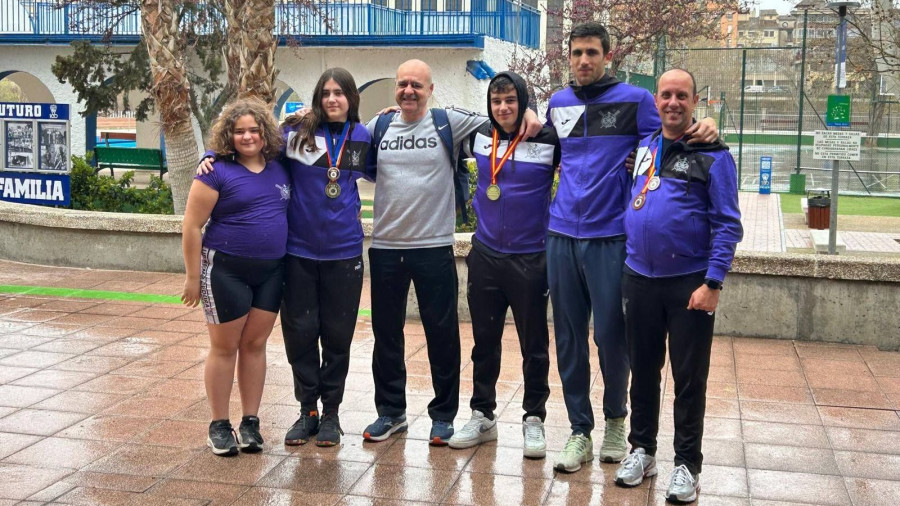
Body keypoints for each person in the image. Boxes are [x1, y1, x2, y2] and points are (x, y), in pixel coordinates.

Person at [545, 22, 720, 472]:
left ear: (608, 56)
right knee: (568, 339)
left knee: (610, 337)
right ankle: (579, 431)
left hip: (610, 238)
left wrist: (708, 124)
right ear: (568, 57)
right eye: (577, 53)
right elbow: (537, 140)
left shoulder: (637, 100)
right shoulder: (558, 103)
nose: (584, 60)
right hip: (562, 235)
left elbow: (670, 133)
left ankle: (616, 425)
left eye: (592, 53)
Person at [362, 59, 542, 446]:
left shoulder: (449, 121)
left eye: (417, 85)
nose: (409, 90)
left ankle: (443, 415)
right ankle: (391, 412)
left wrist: (527, 108)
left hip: (434, 246)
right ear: (396, 88)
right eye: (403, 83)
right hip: (386, 248)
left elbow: (501, 118)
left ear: (430, 90)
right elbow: (337, 136)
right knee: (386, 335)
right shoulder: (378, 127)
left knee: (442, 335)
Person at [199, 69, 375, 448]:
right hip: (297, 253)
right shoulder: (296, 136)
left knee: (338, 337)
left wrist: (394, 110)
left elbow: (376, 165)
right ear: (317, 97)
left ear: (351, 98)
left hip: (344, 253)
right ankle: (307, 411)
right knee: (300, 336)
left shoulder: (363, 136)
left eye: (339, 93)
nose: (332, 99)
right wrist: (210, 154)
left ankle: (331, 415)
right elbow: (248, 143)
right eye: (325, 92)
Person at [613, 68, 743, 504]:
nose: (672, 103)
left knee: (689, 379)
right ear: (656, 100)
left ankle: (687, 463)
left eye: (681, 96)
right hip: (640, 278)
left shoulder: (714, 154)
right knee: (643, 372)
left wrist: (714, 281)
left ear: (694, 102)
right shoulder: (645, 148)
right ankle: (642, 450)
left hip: (690, 283)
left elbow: (727, 224)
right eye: (665, 95)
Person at [446, 71, 558, 459]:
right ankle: (482, 414)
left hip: (530, 256)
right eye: (496, 101)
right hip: (486, 255)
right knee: (484, 341)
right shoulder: (478, 135)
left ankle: (534, 419)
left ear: (523, 100)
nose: (504, 108)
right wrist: (390, 114)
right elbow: (431, 116)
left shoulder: (547, 137)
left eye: (511, 100)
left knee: (534, 344)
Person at [181, 97, 290, 456]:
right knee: (225, 347)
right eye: (240, 131)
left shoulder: (279, 164)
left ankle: (250, 423)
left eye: (254, 130)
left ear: (265, 133)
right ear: (229, 134)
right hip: (226, 270)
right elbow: (192, 226)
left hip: (271, 271)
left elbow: (301, 128)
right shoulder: (215, 170)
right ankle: (219, 425)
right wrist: (192, 276)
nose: (247, 137)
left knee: (255, 345)